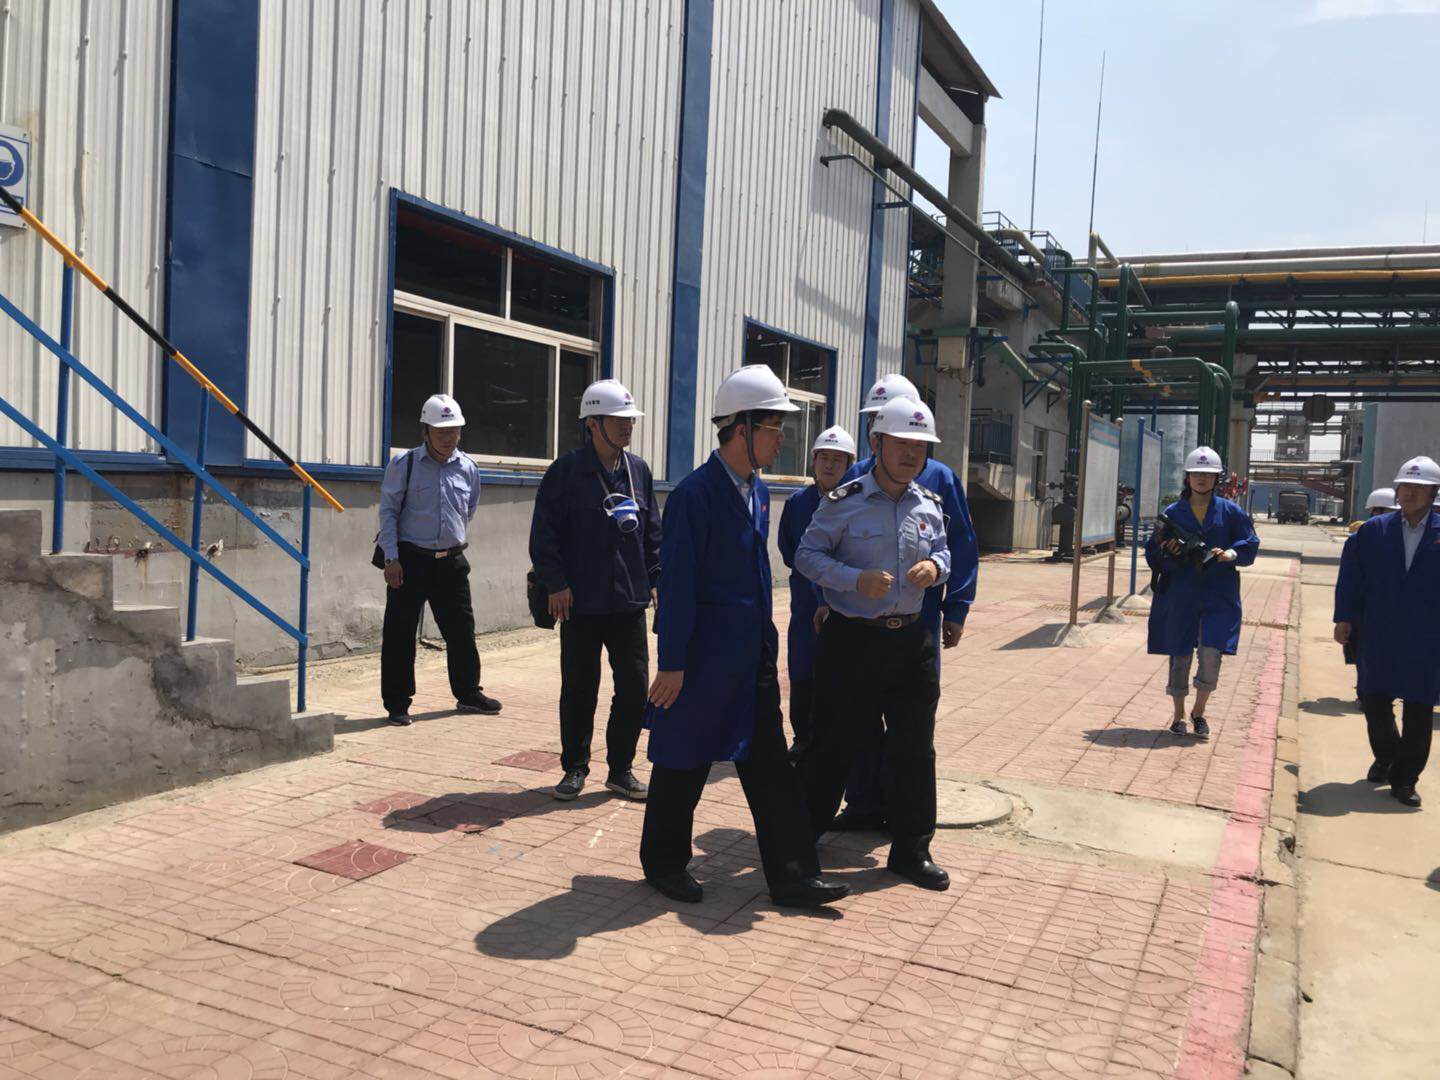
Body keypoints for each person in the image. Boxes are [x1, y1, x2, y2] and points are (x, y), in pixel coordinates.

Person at [639, 366, 849, 909]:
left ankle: (793, 876)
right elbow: (677, 584)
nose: (782, 439)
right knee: (683, 762)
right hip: (701, 660)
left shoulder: (756, 490)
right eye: (774, 428)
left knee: (772, 769)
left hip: (750, 658)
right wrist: (672, 662)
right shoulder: (695, 495)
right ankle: (663, 863)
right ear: (741, 428)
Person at [797, 397, 952, 890]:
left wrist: (935, 568)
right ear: (876, 442)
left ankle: (911, 851)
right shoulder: (845, 500)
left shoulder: (929, 504)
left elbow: (945, 551)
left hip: (912, 641)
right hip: (853, 642)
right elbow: (807, 556)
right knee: (833, 745)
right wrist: (853, 579)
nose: (911, 454)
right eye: (901, 444)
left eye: (919, 447)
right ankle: (799, 847)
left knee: (915, 750)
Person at [829, 373, 978, 831]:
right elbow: (828, 545)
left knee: (911, 726)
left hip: (918, 621)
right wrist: (827, 598)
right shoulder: (856, 477)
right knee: (860, 722)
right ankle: (863, 803)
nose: (879, 427)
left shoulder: (939, 479)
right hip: (862, 625)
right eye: (874, 420)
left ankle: (903, 816)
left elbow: (960, 544)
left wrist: (956, 609)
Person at [529, 379, 661, 802]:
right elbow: (544, 535)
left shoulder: (638, 471)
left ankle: (621, 769)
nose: (626, 426)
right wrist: (556, 584)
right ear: (592, 422)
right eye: (617, 420)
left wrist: (656, 580)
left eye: (629, 420)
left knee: (635, 688)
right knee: (580, 688)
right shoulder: (565, 472)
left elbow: (652, 534)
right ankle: (575, 767)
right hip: (581, 602)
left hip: (628, 601)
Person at [377, 394, 502, 725]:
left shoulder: (469, 468)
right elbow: (388, 513)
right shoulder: (404, 465)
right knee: (400, 634)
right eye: (441, 431)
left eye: (454, 431)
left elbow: (468, 510)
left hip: (451, 563)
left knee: (462, 631)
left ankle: (469, 693)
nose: (449, 438)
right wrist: (391, 558)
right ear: (425, 432)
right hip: (410, 560)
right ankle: (397, 703)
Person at [1334, 455, 1440, 807]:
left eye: (1419, 488)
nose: (1409, 493)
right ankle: (1387, 754)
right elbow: (1351, 577)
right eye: (1405, 486)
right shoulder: (1373, 532)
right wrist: (1344, 618)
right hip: (1378, 630)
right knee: (1374, 699)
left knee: (1419, 708)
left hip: (1427, 636)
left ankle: (1405, 779)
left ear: (1433, 493)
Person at [1144, 446, 1260, 739]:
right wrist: (1167, 551)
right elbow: (1152, 553)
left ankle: (1199, 711)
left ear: (1216, 479)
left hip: (1218, 593)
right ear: (1187, 477)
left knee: (1211, 653)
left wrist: (1230, 554)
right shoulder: (1172, 514)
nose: (1201, 478)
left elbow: (1249, 543)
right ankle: (1178, 715)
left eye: (1207, 474)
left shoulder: (1231, 512)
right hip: (1181, 593)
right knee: (1180, 654)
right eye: (1196, 473)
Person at [777, 425, 857, 756]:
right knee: (802, 671)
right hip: (806, 605)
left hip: (847, 607)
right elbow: (788, 550)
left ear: (850, 464)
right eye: (824, 457)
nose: (829, 465)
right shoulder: (798, 503)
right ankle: (803, 740)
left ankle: (837, 745)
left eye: (838, 459)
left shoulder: (859, 503)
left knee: (843, 677)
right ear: (813, 461)